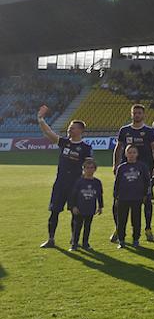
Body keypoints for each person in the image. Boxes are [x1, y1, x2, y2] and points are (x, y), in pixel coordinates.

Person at [36, 104, 92, 248]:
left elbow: (89, 166)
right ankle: (51, 239)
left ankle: (74, 241)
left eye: (72, 127)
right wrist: (40, 119)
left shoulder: (86, 148)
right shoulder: (64, 142)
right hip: (60, 183)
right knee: (54, 212)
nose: (69, 129)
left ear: (80, 130)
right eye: (69, 127)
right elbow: (48, 132)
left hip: (75, 184)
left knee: (76, 214)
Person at [111, 104, 154, 243]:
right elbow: (118, 147)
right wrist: (115, 164)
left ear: (143, 115)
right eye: (135, 113)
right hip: (126, 168)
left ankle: (148, 228)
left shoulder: (149, 131)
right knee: (117, 202)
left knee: (146, 200)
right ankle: (118, 228)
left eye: (139, 113)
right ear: (131, 114)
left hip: (144, 170)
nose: (137, 115)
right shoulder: (125, 130)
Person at [113, 145, 152, 248]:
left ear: (137, 154)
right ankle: (121, 240)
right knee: (122, 220)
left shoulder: (142, 166)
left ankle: (136, 239)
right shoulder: (122, 167)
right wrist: (115, 195)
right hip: (123, 197)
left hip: (137, 197)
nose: (131, 155)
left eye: (134, 152)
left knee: (136, 220)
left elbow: (147, 182)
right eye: (129, 152)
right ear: (126, 154)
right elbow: (117, 183)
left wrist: (145, 195)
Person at [68, 158, 103, 251]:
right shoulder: (79, 181)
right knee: (77, 227)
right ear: (83, 169)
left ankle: (85, 244)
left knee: (87, 227)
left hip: (90, 208)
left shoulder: (97, 182)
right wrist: (73, 207)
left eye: (91, 168)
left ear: (95, 169)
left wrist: (100, 206)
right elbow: (73, 195)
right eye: (87, 168)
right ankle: (74, 244)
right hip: (79, 208)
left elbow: (99, 195)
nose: (89, 170)